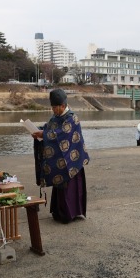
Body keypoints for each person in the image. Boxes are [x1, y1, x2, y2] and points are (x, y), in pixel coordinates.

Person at [32, 88, 90, 224]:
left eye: (55, 107)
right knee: (60, 186)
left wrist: (44, 135)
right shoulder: (55, 117)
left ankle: (71, 213)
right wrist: (38, 131)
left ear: (62, 106)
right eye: (52, 107)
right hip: (61, 161)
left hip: (73, 160)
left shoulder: (72, 118)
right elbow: (48, 128)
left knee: (70, 188)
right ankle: (59, 211)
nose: (53, 110)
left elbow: (63, 133)